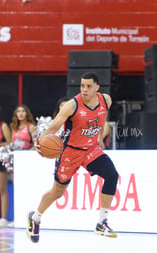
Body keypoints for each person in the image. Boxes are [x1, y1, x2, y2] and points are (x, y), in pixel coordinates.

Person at [26, 72, 120, 243]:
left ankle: (102, 222)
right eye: (82, 86)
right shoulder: (71, 105)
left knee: (112, 175)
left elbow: (101, 117)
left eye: (89, 86)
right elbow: (54, 127)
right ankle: (36, 217)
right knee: (57, 192)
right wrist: (40, 142)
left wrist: (99, 137)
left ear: (97, 87)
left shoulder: (106, 100)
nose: (84, 89)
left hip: (90, 149)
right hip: (69, 151)